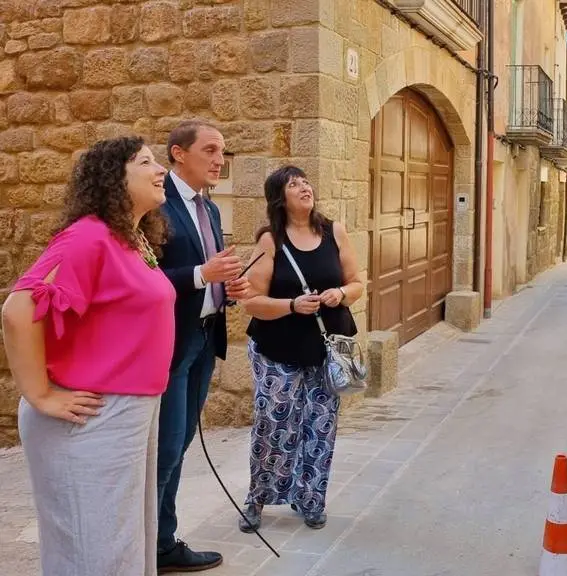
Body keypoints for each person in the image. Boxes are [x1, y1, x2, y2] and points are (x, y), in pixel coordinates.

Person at [3, 136, 178, 575]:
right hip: (92, 417)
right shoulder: (89, 237)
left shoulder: (131, 239)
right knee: (96, 551)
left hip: (128, 413)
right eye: (146, 162)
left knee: (120, 546)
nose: (161, 170)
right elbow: (19, 309)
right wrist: (39, 394)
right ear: (113, 179)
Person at [236, 165, 363, 531]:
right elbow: (252, 301)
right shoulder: (270, 240)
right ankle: (258, 498)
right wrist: (291, 305)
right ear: (280, 197)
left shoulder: (334, 231)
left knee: (320, 426)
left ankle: (311, 499)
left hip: (326, 350)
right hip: (278, 348)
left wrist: (340, 293)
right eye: (294, 184)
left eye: (306, 181)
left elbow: (357, 282)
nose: (304, 187)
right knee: (273, 425)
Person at [156, 119, 247, 572]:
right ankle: (148, 546)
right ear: (178, 153)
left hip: (205, 339)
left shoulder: (209, 209)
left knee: (183, 441)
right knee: (167, 447)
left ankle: (160, 541)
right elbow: (141, 279)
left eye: (222, 152)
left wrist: (228, 287)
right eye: (210, 150)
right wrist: (200, 276)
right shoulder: (156, 205)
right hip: (169, 346)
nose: (219, 160)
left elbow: (209, 271)